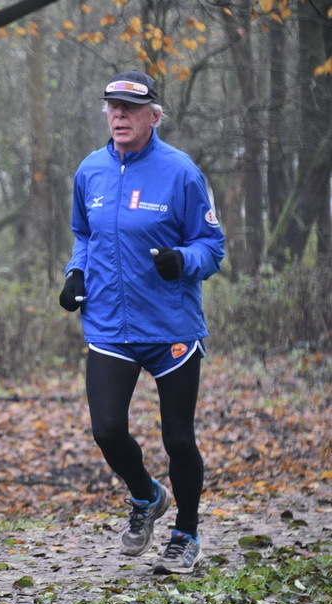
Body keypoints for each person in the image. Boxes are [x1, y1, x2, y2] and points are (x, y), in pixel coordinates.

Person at [59, 71, 225, 575]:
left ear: (154, 115)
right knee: (107, 430)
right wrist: (75, 273)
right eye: (112, 107)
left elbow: (211, 246)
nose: (119, 116)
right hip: (109, 324)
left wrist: (183, 262)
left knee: (177, 438)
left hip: (171, 326)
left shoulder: (181, 172)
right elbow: (83, 235)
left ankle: (186, 534)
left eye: (130, 109)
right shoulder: (90, 170)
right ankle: (146, 494)